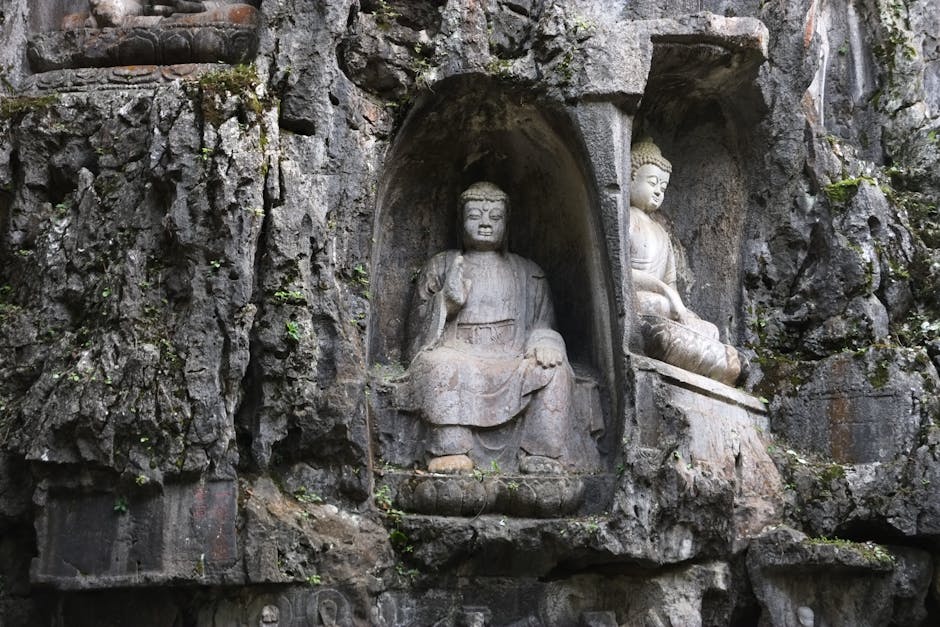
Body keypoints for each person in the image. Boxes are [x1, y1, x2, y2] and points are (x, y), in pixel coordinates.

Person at [401, 182, 574, 474]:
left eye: (494, 217)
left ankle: (539, 454)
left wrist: (545, 342)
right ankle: (450, 447)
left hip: (511, 355)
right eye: (475, 216)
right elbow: (416, 332)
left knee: (553, 370)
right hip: (457, 353)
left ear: (507, 224)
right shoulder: (442, 265)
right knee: (438, 366)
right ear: (460, 221)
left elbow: (543, 324)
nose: (484, 224)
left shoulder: (529, 272)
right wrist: (445, 303)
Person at [629, 139, 744, 385]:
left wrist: (676, 302)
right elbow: (620, 274)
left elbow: (671, 282)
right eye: (652, 183)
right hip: (641, 301)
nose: (659, 191)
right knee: (658, 313)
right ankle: (719, 362)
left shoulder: (662, 234)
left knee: (710, 329)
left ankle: (718, 360)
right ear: (630, 179)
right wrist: (665, 292)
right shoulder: (624, 219)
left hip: (668, 308)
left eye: (663, 185)